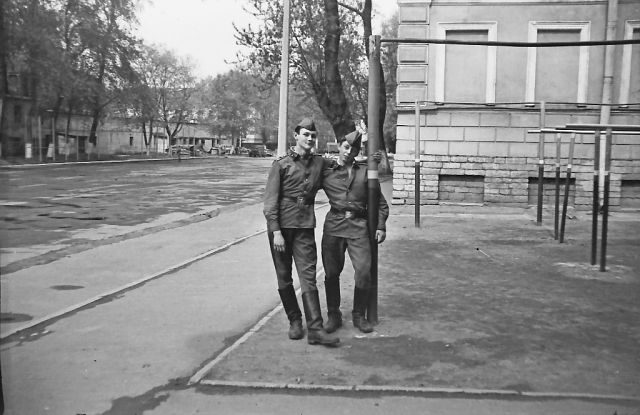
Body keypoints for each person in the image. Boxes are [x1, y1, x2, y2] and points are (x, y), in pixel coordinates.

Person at [263, 117, 340, 346]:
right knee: (284, 276)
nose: (310, 138)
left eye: (313, 135)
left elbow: (343, 164)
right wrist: (276, 231)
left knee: (308, 277)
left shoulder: (319, 163)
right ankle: (295, 321)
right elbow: (270, 202)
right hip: (281, 229)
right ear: (296, 136)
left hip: (304, 226)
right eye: (306, 134)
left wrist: (371, 160)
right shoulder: (281, 164)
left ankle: (315, 329)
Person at [321, 130, 389, 333]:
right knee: (331, 273)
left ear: (357, 152)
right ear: (339, 146)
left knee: (363, 272)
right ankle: (333, 315)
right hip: (334, 227)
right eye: (345, 147)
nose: (348, 152)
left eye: (353, 149)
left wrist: (380, 225)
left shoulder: (365, 172)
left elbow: (380, 203)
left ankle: (359, 315)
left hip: (359, 227)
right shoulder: (326, 171)